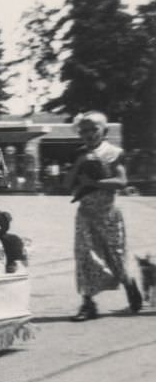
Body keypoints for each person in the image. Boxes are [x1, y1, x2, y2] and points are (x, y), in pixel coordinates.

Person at [65, 111, 141, 321]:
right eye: (84, 130)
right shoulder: (78, 154)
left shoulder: (113, 152)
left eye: (93, 129)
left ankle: (129, 284)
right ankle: (88, 304)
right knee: (84, 255)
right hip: (85, 212)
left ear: (104, 131)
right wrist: (79, 164)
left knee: (115, 255)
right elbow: (66, 184)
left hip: (108, 212)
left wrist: (94, 184)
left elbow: (122, 181)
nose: (89, 134)